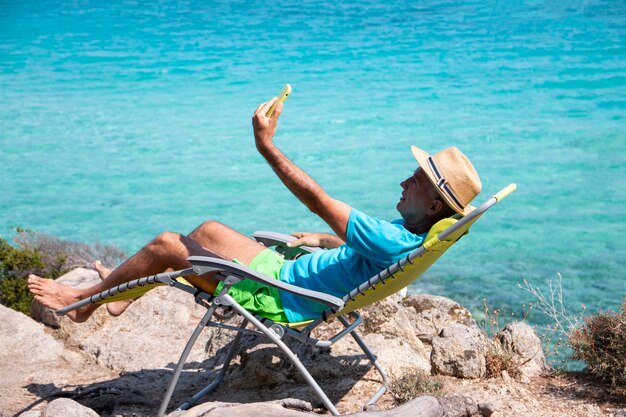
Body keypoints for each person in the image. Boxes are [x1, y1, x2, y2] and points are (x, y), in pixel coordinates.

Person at [28, 97, 482, 324]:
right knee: (207, 229)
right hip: (289, 271)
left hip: (277, 295)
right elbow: (357, 247)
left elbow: (318, 199)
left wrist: (266, 146)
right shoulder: (409, 235)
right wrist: (321, 240)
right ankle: (121, 292)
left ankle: (82, 300)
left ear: (437, 203)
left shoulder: (392, 240)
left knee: (168, 244)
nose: (404, 182)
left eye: (416, 180)